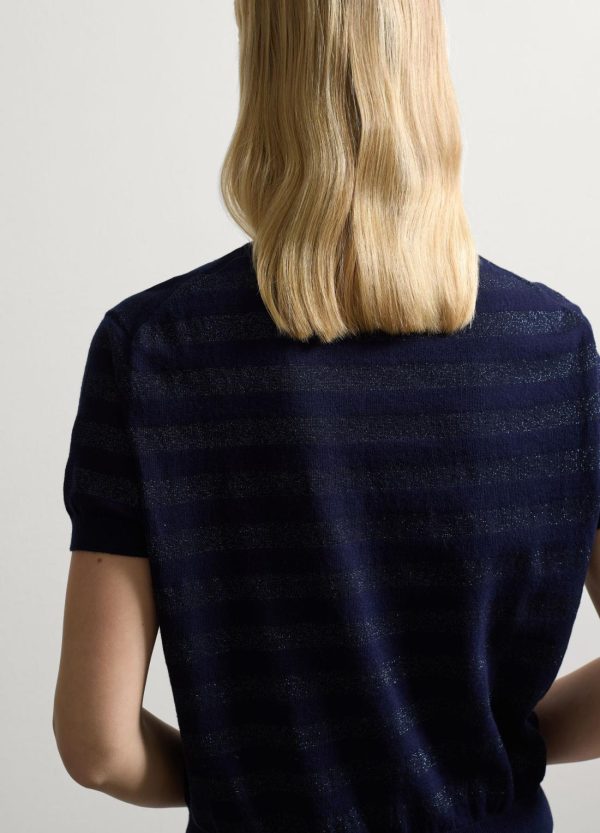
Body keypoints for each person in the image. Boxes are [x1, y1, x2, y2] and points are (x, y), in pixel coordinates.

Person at [52, 2, 600, 831]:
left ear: (264, 69)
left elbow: (98, 746)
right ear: (429, 66)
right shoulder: (554, 349)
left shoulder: (155, 352)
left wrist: (245, 777)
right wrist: (492, 751)